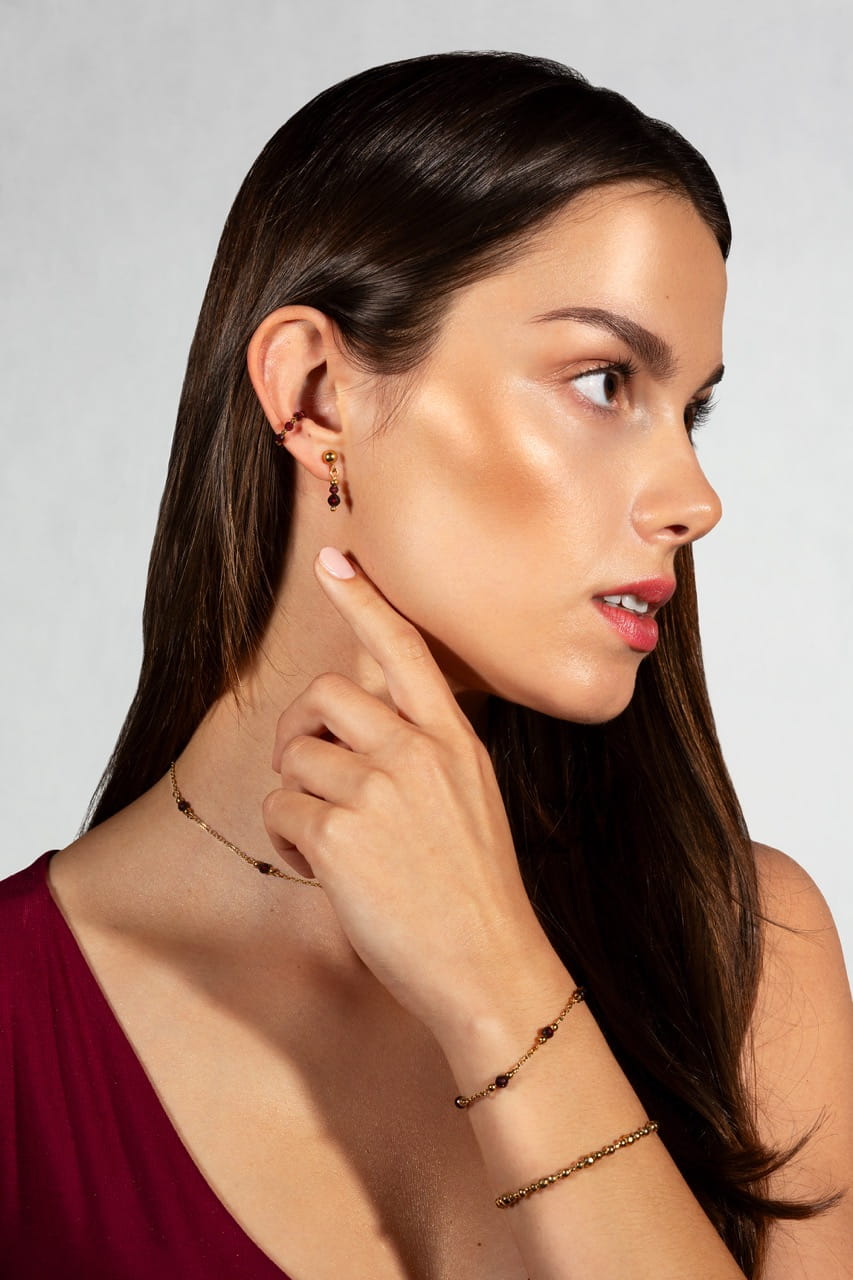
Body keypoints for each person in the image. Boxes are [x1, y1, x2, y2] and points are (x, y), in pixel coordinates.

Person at [1, 50, 850, 1280]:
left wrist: (497, 980)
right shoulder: (21, 1027)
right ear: (314, 394)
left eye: (690, 410)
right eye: (603, 381)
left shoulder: (750, 950)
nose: (693, 498)